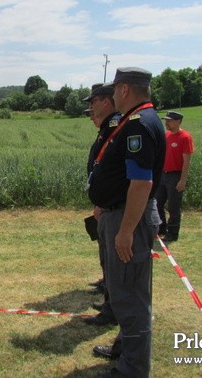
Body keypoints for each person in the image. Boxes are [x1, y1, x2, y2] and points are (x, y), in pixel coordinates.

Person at [88, 67, 165, 378]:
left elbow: (141, 184)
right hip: (119, 212)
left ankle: (132, 370)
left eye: (115, 89)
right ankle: (125, 353)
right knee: (125, 293)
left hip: (126, 216)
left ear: (123, 90)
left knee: (129, 297)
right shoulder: (139, 120)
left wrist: (125, 231)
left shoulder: (138, 125)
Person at [83, 83, 119, 327]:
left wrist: (105, 202)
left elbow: (115, 172)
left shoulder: (116, 127)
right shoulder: (107, 128)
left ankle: (112, 309)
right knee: (107, 257)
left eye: (93, 103)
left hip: (112, 208)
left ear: (105, 101)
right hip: (105, 206)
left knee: (116, 264)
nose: (91, 110)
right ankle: (109, 302)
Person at [155, 111, 194, 243]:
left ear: (178, 121)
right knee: (157, 203)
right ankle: (161, 229)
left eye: (169, 120)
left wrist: (183, 180)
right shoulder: (166, 136)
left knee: (173, 206)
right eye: (166, 120)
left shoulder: (185, 137)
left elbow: (187, 161)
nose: (166, 123)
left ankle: (172, 233)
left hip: (175, 176)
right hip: (162, 174)